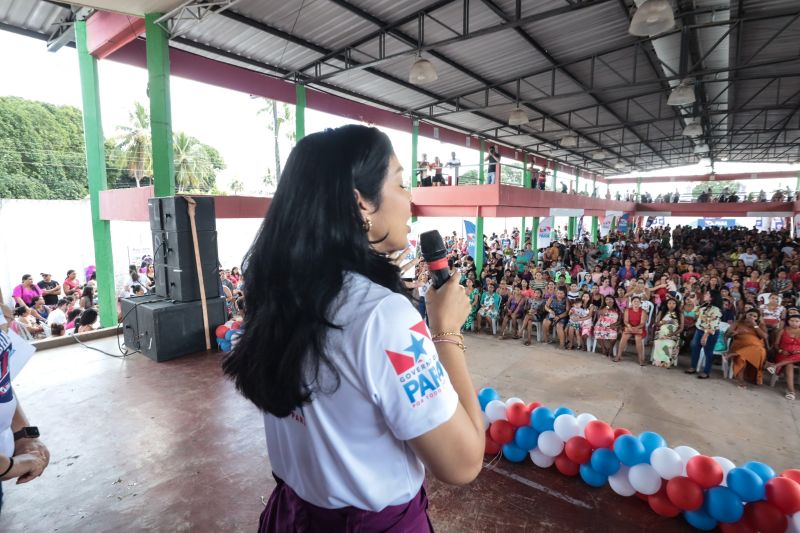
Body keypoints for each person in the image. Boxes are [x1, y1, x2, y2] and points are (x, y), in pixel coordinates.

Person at [220, 126, 483, 530]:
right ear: (362, 203)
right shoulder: (383, 316)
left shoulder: (276, 293)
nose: (410, 198)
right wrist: (446, 332)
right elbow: (462, 463)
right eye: (400, 183)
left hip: (293, 517)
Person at [725, 308, 768, 388]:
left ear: (757, 318)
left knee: (760, 349)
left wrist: (754, 325)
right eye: (750, 315)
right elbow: (728, 335)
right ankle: (740, 381)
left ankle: (734, 354)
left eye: (754, 316)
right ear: (746, 314)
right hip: (739, 345)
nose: (752, 317)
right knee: (741, 357)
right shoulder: (737, 323)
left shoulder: (760, 325)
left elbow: (764, 336)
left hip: (756, 349)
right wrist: (733, 333)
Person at [687, 290, 723, 379]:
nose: (705, 295)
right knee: (695, 348)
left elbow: (713, 325)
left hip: (710, 333)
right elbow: (696, 313)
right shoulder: (705, 305)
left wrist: (705, 335)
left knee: (708, 351)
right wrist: (694, 303)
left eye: (707, 294)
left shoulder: (716, 310)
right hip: (699, 330)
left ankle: (706, 371)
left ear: (712, 297)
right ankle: (693, 367)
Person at [766, 314, 800, 400]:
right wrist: (781, 350)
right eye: (792, 321)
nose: (794, 323)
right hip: (783, 354)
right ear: (788, 321)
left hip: (798, 355)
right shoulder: (782, 331)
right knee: (789, 365)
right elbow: (776, 345)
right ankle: (791, 391)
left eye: (797, 321)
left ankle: (775, 366)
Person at [651, 297, 683, 368]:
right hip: (661, 333)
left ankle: (667, 361)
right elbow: (656, 324)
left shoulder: (680, 314)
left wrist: (672, 334)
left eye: (674, 303)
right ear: (666, 304)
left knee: (668, 343)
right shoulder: (662, 312)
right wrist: (663, 322)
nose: (671, 305)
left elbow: (681, 328)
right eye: (669, 303)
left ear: (676, 305)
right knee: (659, 342)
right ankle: (658, 361)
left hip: (673, 335)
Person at [616, 296, 646, 365]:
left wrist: (636, 328)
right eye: (634, 301)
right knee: (624, 337)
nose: (636, 303)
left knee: (638, 338)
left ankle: (640, 358)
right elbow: (625, 321)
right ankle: (619, 355)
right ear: (631, 303)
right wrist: (629, 327)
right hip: (629, 327)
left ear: (640, 303)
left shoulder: (643, 311)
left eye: (638, 301)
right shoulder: (627, 310)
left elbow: (642, 323)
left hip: (639, 328)